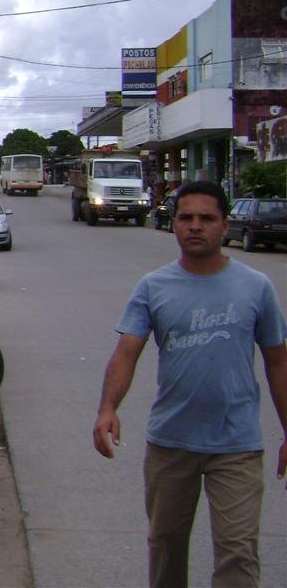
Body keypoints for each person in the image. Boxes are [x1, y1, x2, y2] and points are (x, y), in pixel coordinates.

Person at [92, 181, 287, 588]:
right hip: (171, 442)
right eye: (186, 218)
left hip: (237, 446)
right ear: (174, 224)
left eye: (206, 218)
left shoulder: (256, 287)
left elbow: (277, 362)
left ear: (224, 225)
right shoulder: (153, 287)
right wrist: (107, 409)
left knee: (238, 552)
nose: (195, 226)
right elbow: (126, 352)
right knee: (166, 545)